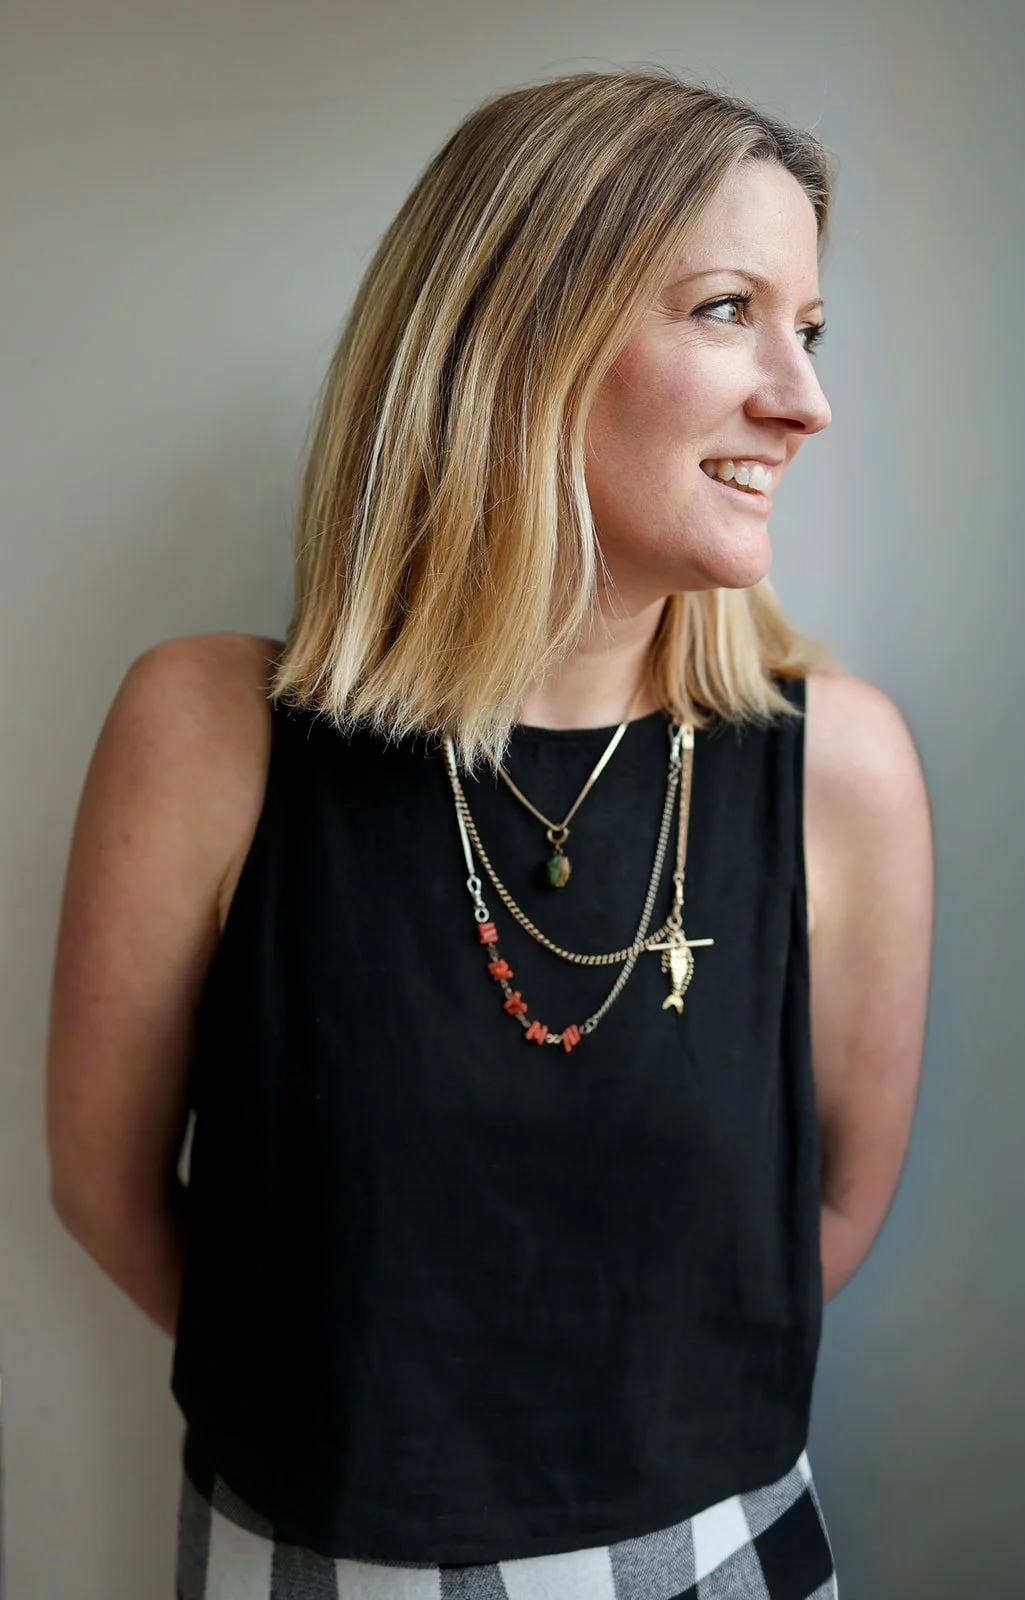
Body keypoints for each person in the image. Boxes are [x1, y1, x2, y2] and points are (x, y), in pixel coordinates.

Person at [45, 67, 934, 1600]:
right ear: (516, 339)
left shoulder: (835, 770)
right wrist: (355, 1433)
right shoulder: (208, 735)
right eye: (727, 310)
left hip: (714, 1555)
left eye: (808, 327)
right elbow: (102, 1187)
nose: (803, 400)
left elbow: (833, 1206)